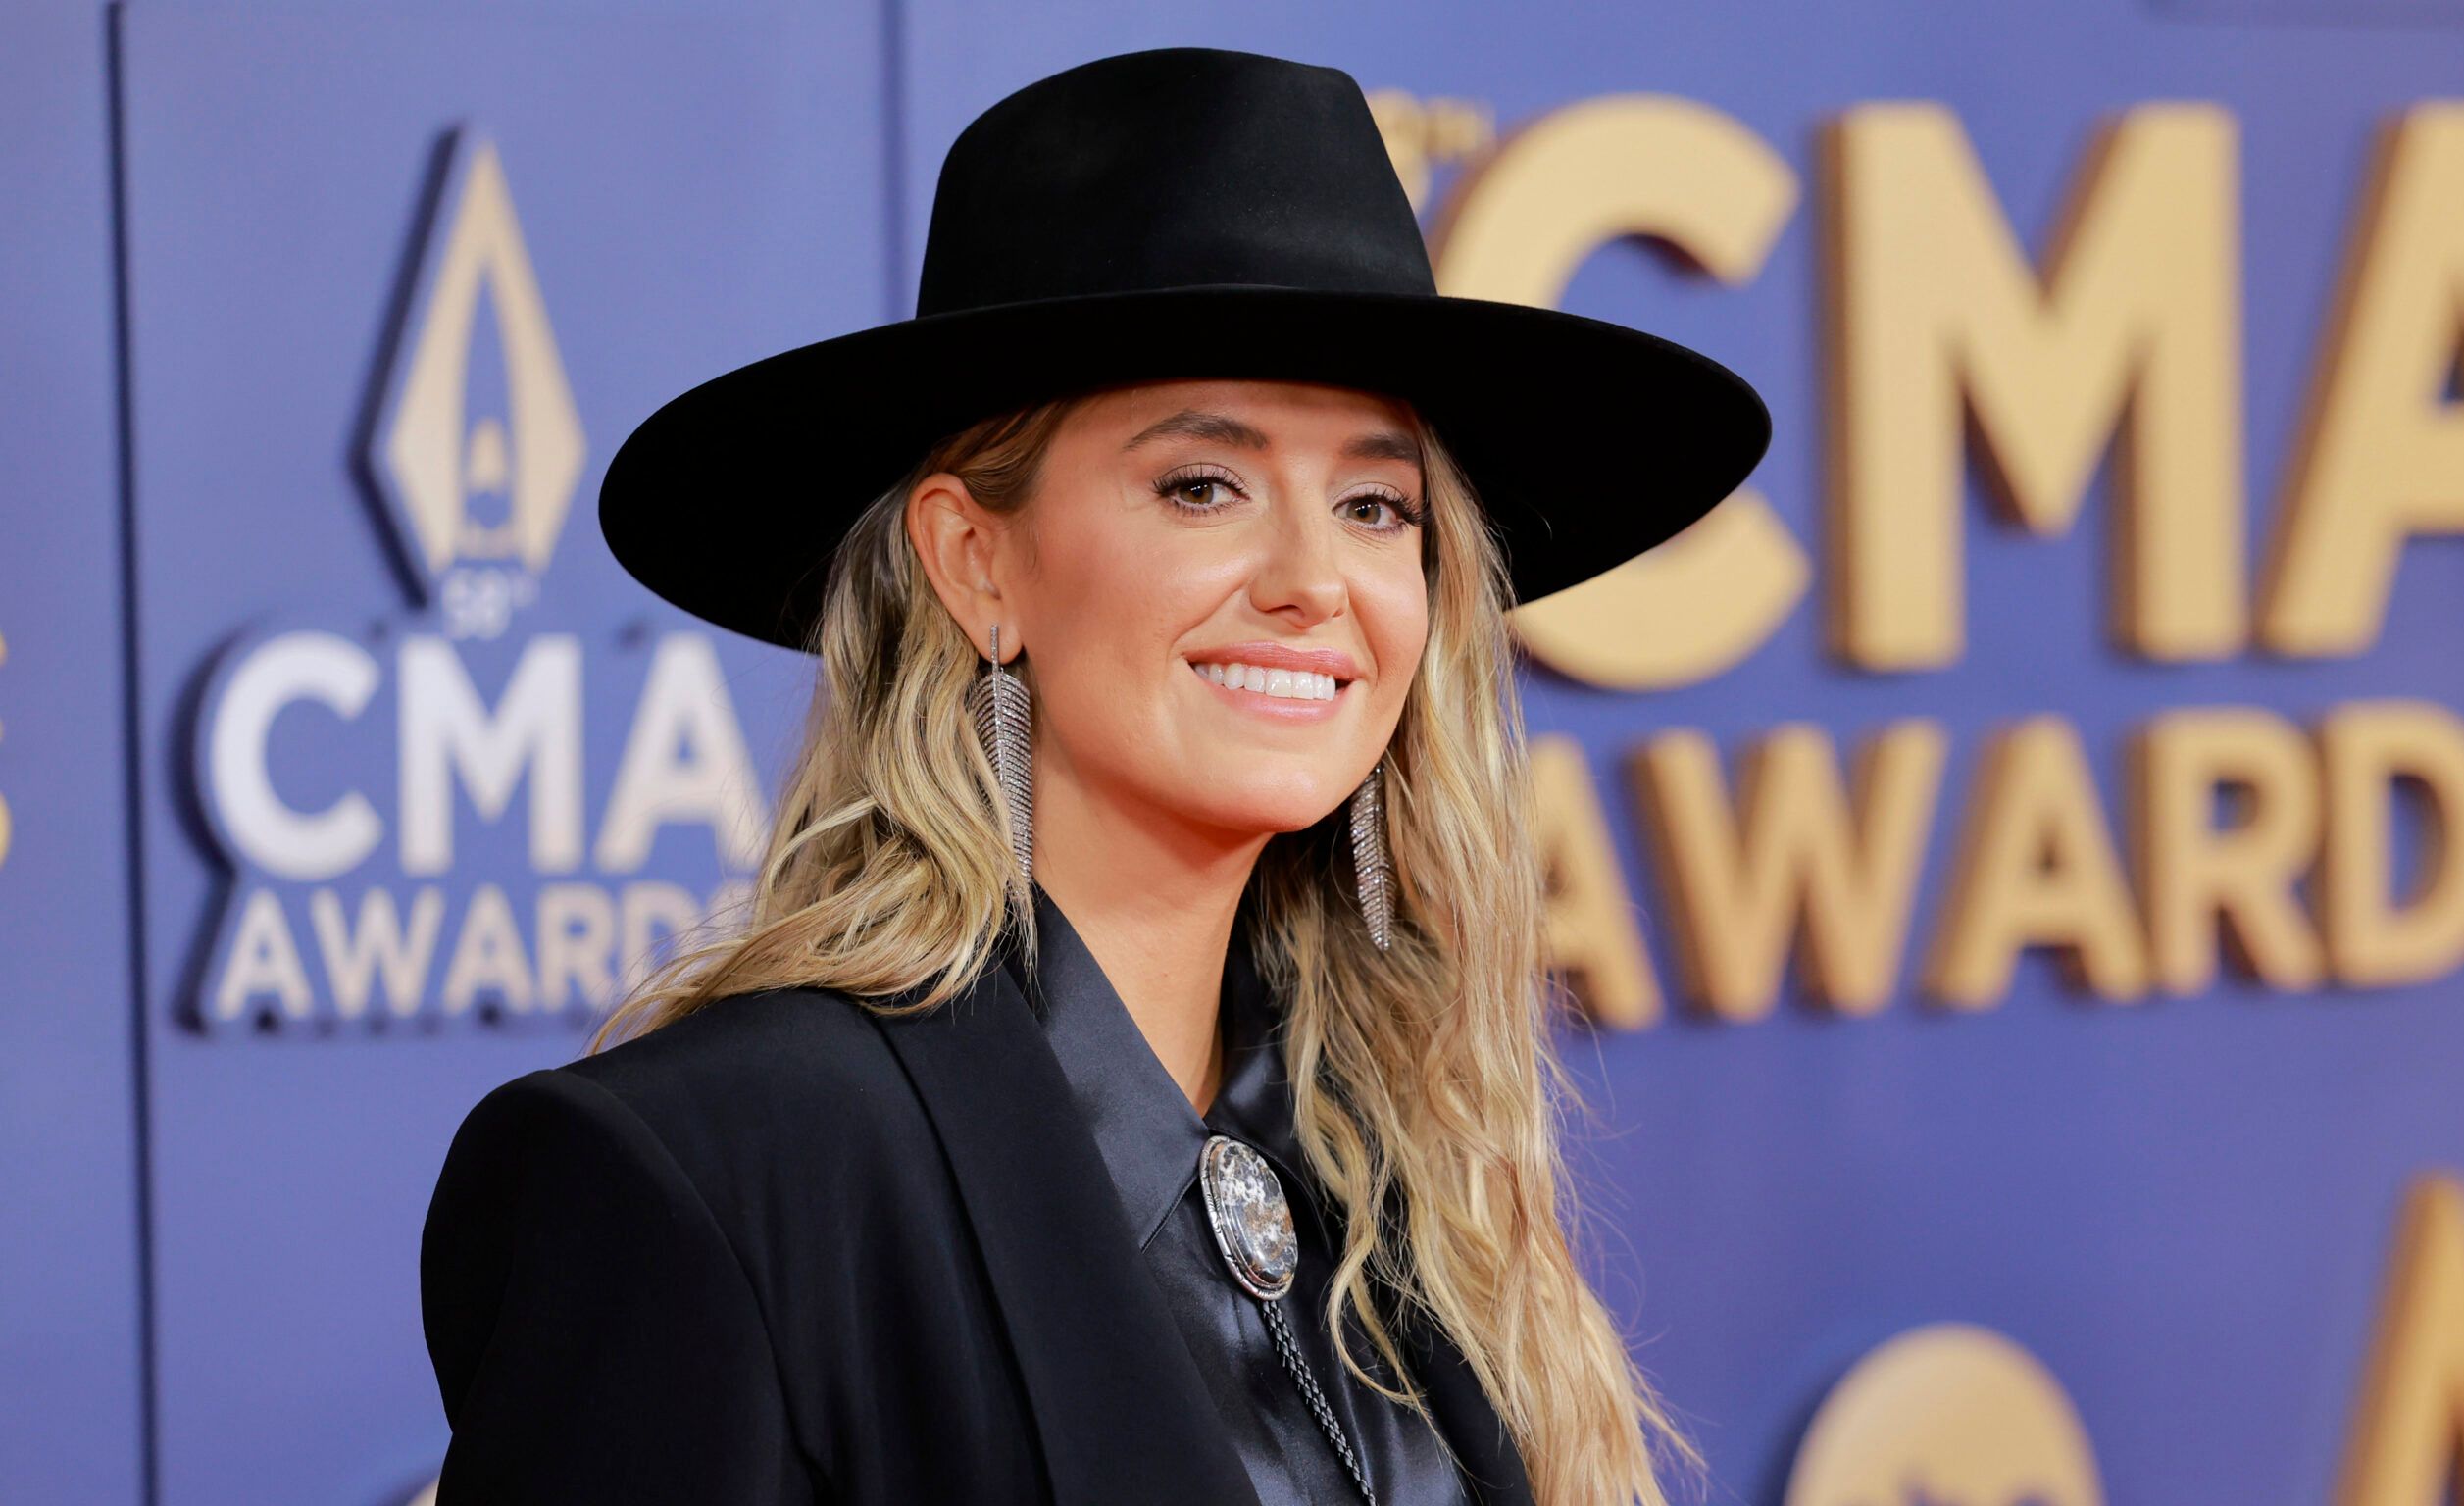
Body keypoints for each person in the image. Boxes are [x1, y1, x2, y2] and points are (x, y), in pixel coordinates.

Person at [419, 44, 1770, 1506]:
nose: (1317, 582)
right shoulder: (716, 1178)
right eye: (1204, 484)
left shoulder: (1391, 1164)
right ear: (976, 562)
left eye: (1378, 505)